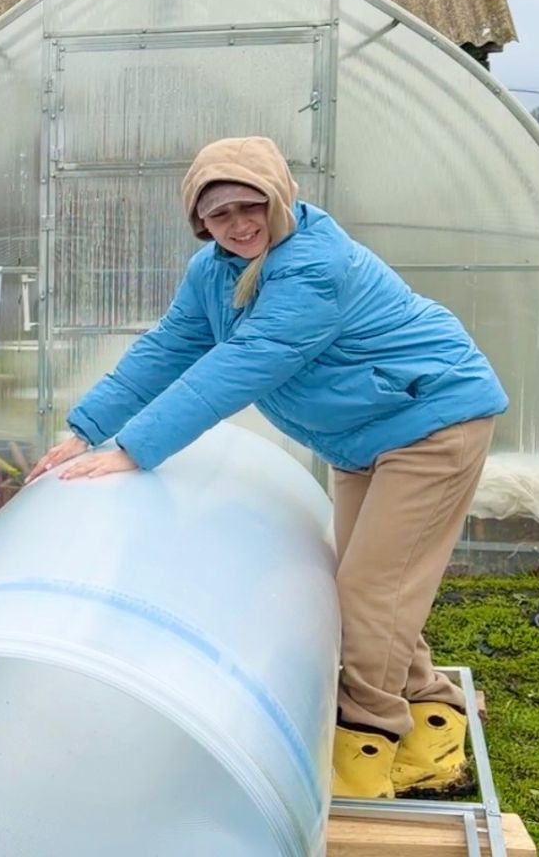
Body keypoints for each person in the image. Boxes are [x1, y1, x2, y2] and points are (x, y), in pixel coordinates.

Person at [26, 135, 508, 801]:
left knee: (370, 593)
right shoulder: (213, 272)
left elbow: (244, 363)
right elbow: (168, 348)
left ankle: (367, 745)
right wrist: (85, 429)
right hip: (363, 433)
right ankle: (436, 722)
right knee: (375, 591)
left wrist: (134, 448)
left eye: (252, 206)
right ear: (201, 223)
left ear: (281, 199)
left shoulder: (314, 266)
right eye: (220, 214)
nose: (240, 224)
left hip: (431, 420)